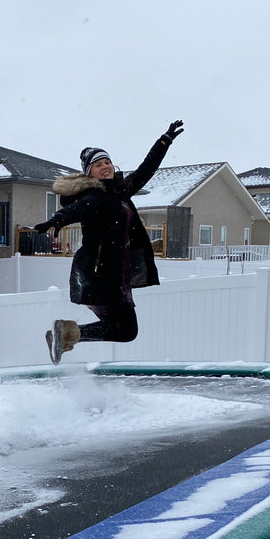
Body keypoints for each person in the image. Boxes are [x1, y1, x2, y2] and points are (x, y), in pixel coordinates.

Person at [34, 120, 183, 364]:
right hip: (101, 274)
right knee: (126, 330)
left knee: (122, 328)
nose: (105, 167)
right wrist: (58, 220)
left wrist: (164, 142)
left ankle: (65, 334)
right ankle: (65, 334)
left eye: (107, 162)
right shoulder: (95, 195)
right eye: (98, 165)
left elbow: (146, 170)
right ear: (89, 173)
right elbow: (80, 208)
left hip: (114, 274)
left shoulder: (120, 192)